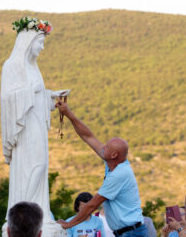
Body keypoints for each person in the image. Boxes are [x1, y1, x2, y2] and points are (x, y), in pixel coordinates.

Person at [0, 17, 69, 231]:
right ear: (28, 42)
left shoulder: (33, 67)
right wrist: (34, 92)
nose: (42, 47)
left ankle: (37, 214)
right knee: (36, 165)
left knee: (41, 165)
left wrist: (51, 96)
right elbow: (7, 97)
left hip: (36, 123)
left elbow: (36, 96)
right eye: (40, 42)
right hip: (25, 128)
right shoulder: (12, 65)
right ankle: (23, 212)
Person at [56, 99, 147, 236]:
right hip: (126, 232)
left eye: (107, 147)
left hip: (132, 233)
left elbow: (92, 205)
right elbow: (88, 136)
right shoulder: (111, 161)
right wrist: (68, 113)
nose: (103, 147)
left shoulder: (119, 174)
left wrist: (68, 224)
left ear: (114, 154)